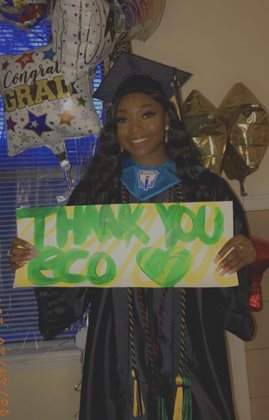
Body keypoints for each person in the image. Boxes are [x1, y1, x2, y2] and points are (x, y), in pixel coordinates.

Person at [10, 53, 256, 420]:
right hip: (116, 351)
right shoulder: (95, 193)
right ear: (113, 129)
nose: (135, 128)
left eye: (147, 114)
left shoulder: (205, 190)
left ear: (167, 121)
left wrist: (248, 254)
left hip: (193, 353)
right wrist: (36, 258)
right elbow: (69, 285)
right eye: (122, 119)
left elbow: (230, 277)